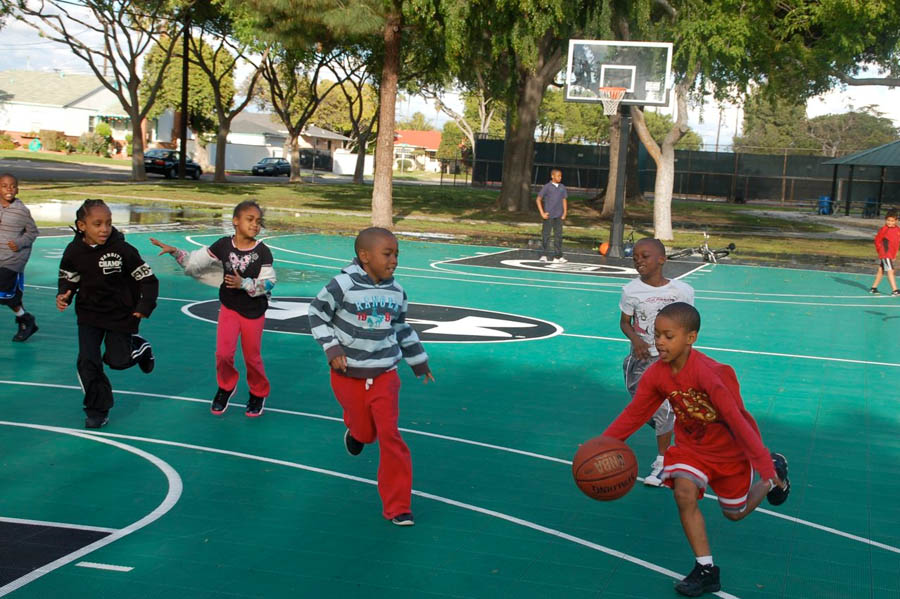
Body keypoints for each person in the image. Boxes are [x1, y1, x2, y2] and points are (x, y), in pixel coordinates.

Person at [603, 302, 789, 597]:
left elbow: (739, 422)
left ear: (691, 337)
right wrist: (604, 444)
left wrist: (764, 465)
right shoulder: (656, 374)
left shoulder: (711, 374)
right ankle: (706, 570)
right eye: (657, 335)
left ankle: (772, 476)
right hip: (692, 449)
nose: (660, 342)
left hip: (730, 452)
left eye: (668, 336)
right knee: (683, 492)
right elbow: (635, 413)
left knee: (735, 513)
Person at [308, 227, 434, 527]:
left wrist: (419, 361)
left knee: (390, 436)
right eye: (387, 254)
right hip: (347, 374)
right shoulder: (343, 284)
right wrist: (332, 348)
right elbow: (316, 314)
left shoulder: (396, 291)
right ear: (365, 256)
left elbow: (401, 327)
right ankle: (356, 432)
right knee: (367, 433)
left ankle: (398, 506)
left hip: (385, 375)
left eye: (396, 254)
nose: (394, 260)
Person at [151, 200, 275, 417]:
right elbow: (195, 263)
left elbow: (270, 282)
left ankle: (258, 392)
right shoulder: (223, 245)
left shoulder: (263, 252)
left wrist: (244, 284)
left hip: (254, 312)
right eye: (250, 219)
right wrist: (175, 252)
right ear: (235, 221)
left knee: (252, 357)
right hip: (229, 307)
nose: (255, 224)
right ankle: (226, 387)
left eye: (258, 221)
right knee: (223, 354)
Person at [56, 200, 158, 429]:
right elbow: (69, 278)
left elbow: (148, 280)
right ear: (82, 225)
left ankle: (140, 347)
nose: (104, 229)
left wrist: (144, 306)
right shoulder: (74, 251)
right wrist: (64, 294)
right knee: (87, 361)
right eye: (98, 224)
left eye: (109, 224)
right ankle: (97, 410)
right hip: (89, 314)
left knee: (118, 361)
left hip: (121, 314)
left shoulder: (123, 250)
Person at [619, 238, 694, 486]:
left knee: (664, 410)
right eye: (636, 257)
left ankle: (663, 462)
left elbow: (687, 324)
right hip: (640, 359)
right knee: (644, 406)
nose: (638, 260)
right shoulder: (631, 291)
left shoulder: (682, 291)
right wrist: (637, 341)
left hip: (668, 361)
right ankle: (673, 430)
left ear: (662, 259)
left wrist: (682, 354)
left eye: (645, 256)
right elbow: (625, 323)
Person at [0, 173, 39, 342]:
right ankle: (25, 320)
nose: (9, 189)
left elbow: (33, 232)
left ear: (18, 189)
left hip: (13, 260)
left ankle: (25, 320)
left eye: (13, 186)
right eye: (4, 186)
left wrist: (20, 242)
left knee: (5, 294)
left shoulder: (21, 211)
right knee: (10, 297)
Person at [536, 167, 568, 263]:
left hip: (559, 216)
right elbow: (538, 199)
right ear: (552, 176)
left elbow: (564, 200)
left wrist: (565, 212)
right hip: (549, 215)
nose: (559, 178)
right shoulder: (547, 187)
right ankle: (544, 255)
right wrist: (542, 213)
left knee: (558, 236)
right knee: (546, 235)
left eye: (561, 176)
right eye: (558, 176)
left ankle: (558, 256)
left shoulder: (562, 187)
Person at [869, 209, 899, 295]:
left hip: (890, 254)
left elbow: (895, 243)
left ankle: (873, 288)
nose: (890, 222)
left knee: (881, 270)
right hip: (885, 254)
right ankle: (895, 290)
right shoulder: (884, 229)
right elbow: (877, 240)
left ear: (896, 221)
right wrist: (881, 251)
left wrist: (894, 255)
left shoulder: (897, 230)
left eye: (892, 221)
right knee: (890, 270)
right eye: (888, 220)